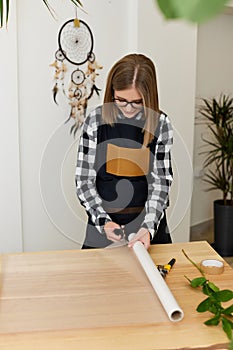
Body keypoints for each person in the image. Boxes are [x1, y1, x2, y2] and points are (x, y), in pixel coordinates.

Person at [75, 53, 173, 249]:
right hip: (105, 225)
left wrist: (148, 228)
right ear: (112, 92)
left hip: (147, 226)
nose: (128, 108)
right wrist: (104, 222)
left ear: (149, 96)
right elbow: (83, 181)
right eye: (121, 100)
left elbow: (161, 183)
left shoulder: (161, 124)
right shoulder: (95, 121)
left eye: (137, 102)